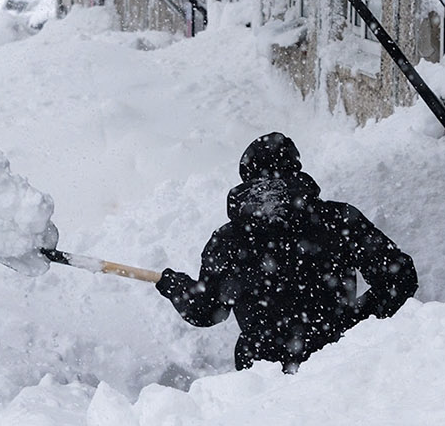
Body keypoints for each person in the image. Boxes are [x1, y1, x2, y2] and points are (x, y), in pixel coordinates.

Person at [155, 132, 417, 373]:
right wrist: (358, 322)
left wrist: (176, 286)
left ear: (247, 177)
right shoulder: (338, 219)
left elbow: (207, 310)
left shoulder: (229, 239)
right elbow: (399, 277)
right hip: (339, 364)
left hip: (262, 379)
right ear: (295, 167)